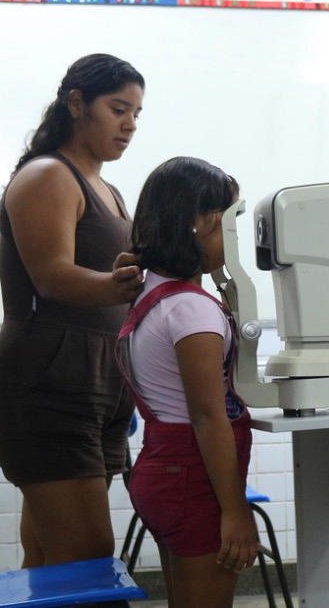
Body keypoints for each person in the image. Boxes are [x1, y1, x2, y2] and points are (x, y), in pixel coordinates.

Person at [0, 53, 146, 568]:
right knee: (86, 559)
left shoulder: (109, 190)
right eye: (118, 108)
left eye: (137, 114)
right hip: (53, 397)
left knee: (51, 560)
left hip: (92, 389)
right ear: (76, 104)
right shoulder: (50, 174)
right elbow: (52, 276)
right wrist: (125, 289)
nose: (129, 125)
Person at [116, 156, 258, 608]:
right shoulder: (191, 310)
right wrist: (236, 512)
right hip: (192, 479)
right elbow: (207, 416)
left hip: (165, 469)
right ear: (198, 222)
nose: (233, 236)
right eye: (229, 223)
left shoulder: (153, 293)